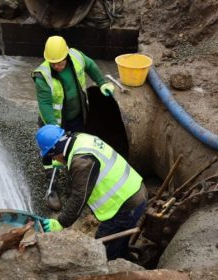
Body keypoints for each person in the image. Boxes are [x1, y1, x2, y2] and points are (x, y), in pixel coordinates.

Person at [35, 125, 147, 260]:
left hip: (126, 205)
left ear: (57, 150)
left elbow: (79, 196)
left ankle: (121, 267)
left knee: (104, 253)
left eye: (52, 157)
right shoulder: (81, 138)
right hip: (134, 189)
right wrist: (66, 163)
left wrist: (61, 222)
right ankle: (127, 258)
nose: (53, 160)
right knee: (118, 244)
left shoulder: (82, 162)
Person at [32, 35, 115, 210]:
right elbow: (45, 104)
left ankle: (75, 182)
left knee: (75, 149)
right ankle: (52, 188)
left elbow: (91, 66)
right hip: (53, 123)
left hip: (76, 116)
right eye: (53, 63)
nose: (56, 66)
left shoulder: (76, 56)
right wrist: (53, 127)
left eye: (60, 62)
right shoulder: (42, 76)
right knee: (50, 155)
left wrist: (102, 83)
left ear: (67, 54)